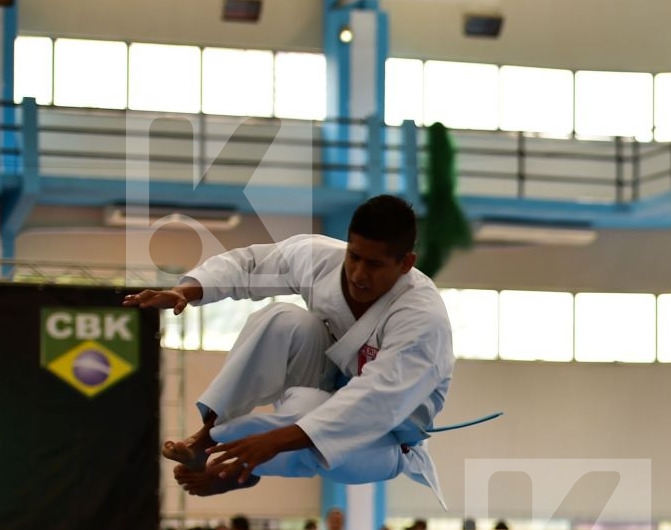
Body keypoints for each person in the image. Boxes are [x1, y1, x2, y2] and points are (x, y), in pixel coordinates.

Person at [127, 195, 454, 501]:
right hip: (328, 384)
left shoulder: (422, 319)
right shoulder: (320, 259)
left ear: (406, 263)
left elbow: (378, 401)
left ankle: (235, 464)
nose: (358, 274)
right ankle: (208, 436)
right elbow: (250, 265)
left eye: (375, 264)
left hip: (385, 439)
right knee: (283, 319)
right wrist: (188, 290)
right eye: (354, 256)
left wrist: (276, 440)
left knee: (307, 414)